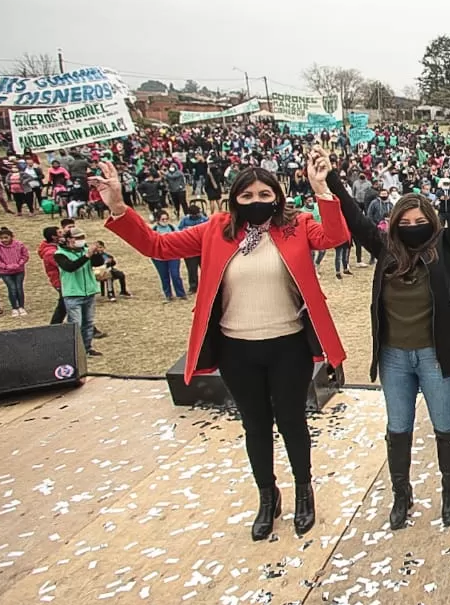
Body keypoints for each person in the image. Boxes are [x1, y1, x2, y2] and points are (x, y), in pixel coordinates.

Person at [94, 151, 348, 541]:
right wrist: (118, 207)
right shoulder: (215, 229)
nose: (256, 202)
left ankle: (303, 491)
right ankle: (268, 495)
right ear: (234, 201)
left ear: (278, 197)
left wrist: (320, 189)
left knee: (293, 421)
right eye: (246, 197)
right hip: (237, 350)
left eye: (265, 194)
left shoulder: (297, 225)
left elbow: (335, 237)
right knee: (256, 424)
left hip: (288, 346)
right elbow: (157, 247)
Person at [324, 139, 450, 531]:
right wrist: (330, 178)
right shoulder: (385, 250)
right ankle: (401, 495)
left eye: (419, 222)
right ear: (395, 226)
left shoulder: (448, 246)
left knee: (446, 426)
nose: (413, 229)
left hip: (436, 356)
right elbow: (356, 219)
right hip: (395, 357)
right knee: (398, 428)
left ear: (431, 221)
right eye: (405, 223)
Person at [55, 228, 101, 356]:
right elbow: (70, 267)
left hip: (89, 292)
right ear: (69, 239)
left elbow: (98, 263)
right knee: (76, 324)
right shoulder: (60, 254)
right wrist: (87, 256)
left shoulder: (85, 250)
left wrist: (96, 254)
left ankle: (87, 348)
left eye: (82, 237)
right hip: (73, 294)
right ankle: (74, 352)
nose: (81, 241)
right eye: (78, 238)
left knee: (88, 323)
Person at [151, 210, 188, 302]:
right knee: (164, 276)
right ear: (158, 220)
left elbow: (180, 238)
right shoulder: (154, 230)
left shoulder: (172, 227)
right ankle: (168, 295)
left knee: (175, 274)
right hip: (159, 257)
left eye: (166, 219)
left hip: (173, 255)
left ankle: (181, 294)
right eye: (163, 219)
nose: (165, 221)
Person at [0, 226, 29, 316]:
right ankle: (14, 307)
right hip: (5, 272)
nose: (4, 240)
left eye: (6, 237)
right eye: (2, 238)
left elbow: (25, 256)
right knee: (12, 288)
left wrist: (19, 264)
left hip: (19, 270)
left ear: (11, 237)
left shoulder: (19, 244)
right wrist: (5, 266)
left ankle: (21, 306)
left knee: (19, 288)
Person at [178, 204, 210, 293]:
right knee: (192, 270)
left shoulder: (204, 219)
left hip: (202, 248)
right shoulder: (185, 220)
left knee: (206, 268)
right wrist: (188, 229)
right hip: (190, 249)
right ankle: (193, 287)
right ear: (190, 215)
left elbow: (211, 229)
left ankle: (208, 285)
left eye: (198, 214)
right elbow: (179, 230)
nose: (197, 216)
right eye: (195, 215)